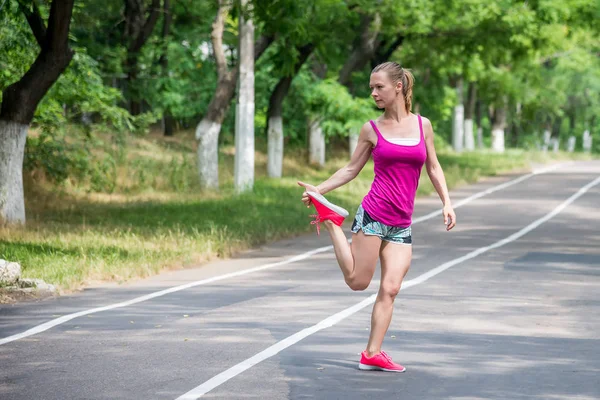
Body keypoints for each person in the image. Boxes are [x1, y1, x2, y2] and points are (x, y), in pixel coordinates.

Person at [297, 61, 456, 373]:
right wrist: (321, 188)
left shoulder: (423, 126)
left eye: (379, 87)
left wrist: (447, 202)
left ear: (398, 87)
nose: (373, 93)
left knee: (391, 288)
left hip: (401, 223)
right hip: (374, 215)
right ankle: (330, 220)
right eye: (371, 87)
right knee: (358, 282)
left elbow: (433, 167)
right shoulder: (372, 129)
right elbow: (351, 168)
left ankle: (372, 352)